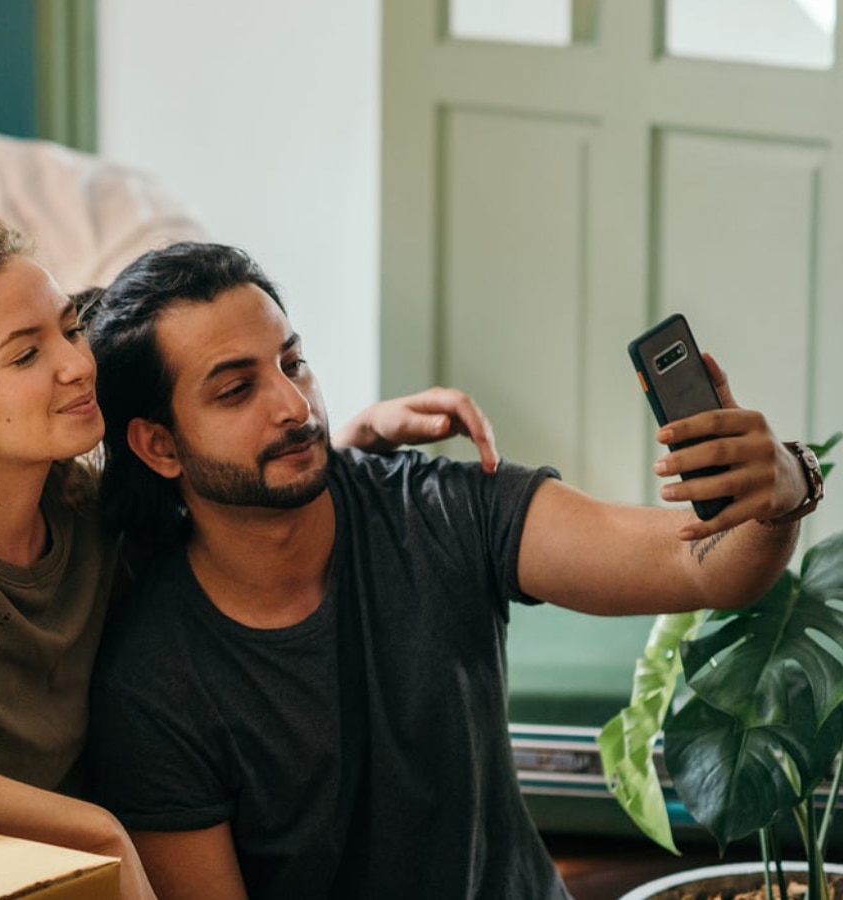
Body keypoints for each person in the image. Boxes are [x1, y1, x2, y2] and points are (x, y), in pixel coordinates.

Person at [0, 215, 498, 900]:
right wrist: (94, 827)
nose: (78, 364)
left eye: (70, 329)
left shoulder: (79, 514)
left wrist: (338, 446)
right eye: (25, 355)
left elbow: (220, 496)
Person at [82, 241, 817, 900]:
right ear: (158, 446)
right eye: (236, 390)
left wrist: (782, 491)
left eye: (292, 361)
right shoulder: (153, 685)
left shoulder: (435, 508)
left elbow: (699, 568)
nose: (292, 405)